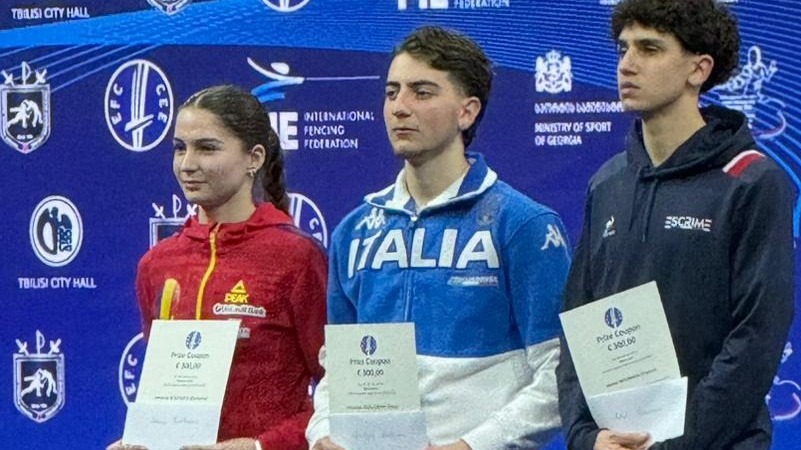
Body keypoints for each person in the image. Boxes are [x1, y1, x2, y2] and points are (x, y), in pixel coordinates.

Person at [306, 26, 571, 450]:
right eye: (392, 92)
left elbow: (560, 370)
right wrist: (322, 431)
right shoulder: (353, 231)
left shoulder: (524, 224)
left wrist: (473, 445)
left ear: (467, 112)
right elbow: (337, 366)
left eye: (422, 92)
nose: (400, 107)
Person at [556, 1, 795, 449]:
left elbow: (756, 337)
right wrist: (587, 436)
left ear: (698, 69)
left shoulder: (752, 181)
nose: (627, 64)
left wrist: (675, 443)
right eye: (623, 49)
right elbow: (578, 325)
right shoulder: (607, 182)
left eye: (649, 49)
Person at [108, 84, 327, 450]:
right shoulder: (157, 264)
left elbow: (338, 398)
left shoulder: (296, 257)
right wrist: (140, 442)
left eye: (207, 148)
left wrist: (260, 446)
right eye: (180, 148)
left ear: (254, 158)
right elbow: (164, 397)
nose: (187, 164)